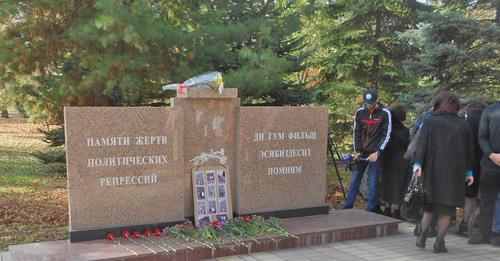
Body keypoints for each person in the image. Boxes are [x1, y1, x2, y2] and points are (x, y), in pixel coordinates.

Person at [413, 92, 474, 253]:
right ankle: (439, 244)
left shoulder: (429, 121)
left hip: (432, 172)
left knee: (429, 207)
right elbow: (469, 152)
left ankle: (422, 237)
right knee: (446, 210)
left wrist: (418, 164)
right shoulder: (463, 125)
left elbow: (421, 145)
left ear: (437, 105)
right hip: (454, 175)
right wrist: (469, 172)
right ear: (456, 107)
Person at [343, 89, 392, 213]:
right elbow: (356, 132)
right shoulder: (360, 113)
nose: (368, 106)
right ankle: (347, 208)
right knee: (355, 180)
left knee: (373, 182)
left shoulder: (385, 113)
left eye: (371, 103)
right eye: (366, 103)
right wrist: (357, 150)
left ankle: (371, 210)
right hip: (362, 152)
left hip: (376, 153)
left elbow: (387, 134)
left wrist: (378, 152)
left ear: (377, 101)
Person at [468, 101, 500, 246]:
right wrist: (492, 155)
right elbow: (482, 136)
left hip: (491, 162)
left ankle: (495, 234)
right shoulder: (490, 111)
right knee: (487, 200)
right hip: (490, 165)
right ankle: (485, 234)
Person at [457, 101, 487, 236]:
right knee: (474, 195)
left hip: (461, 162)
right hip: (483, 162)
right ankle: (469, 221)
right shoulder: (487, 120)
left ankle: (457, 221)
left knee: (464, 194)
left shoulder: (462, 120)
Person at [380, 104, 411, 219]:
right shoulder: (404, 131)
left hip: (387, 160)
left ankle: (387, 207)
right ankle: (396, 209)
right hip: (401, 161)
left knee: (387, 183)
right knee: (400, 184)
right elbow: (408, 145)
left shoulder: (386, 129)